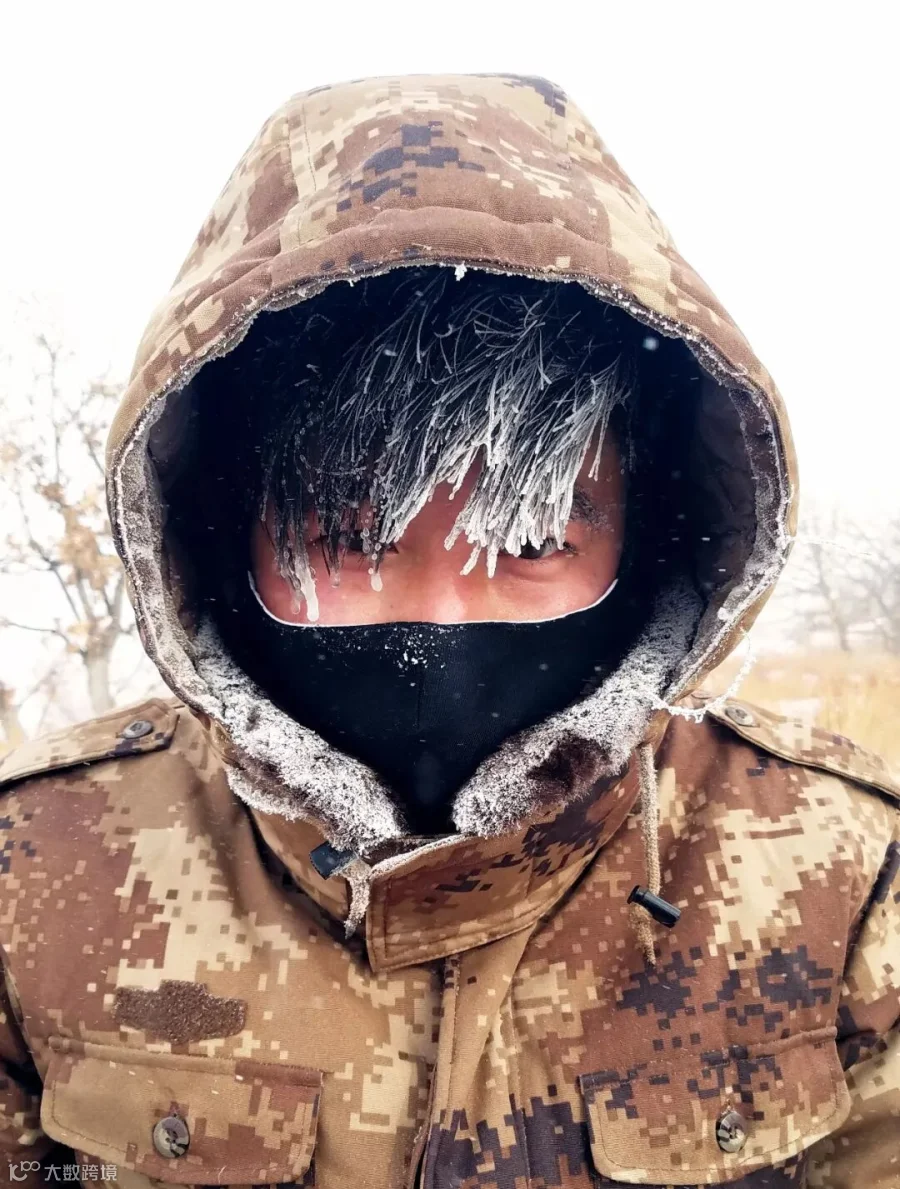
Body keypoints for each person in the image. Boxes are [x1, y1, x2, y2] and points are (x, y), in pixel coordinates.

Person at [0, 72, 897, 1189]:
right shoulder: (36, 866)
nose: (441, 619)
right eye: (346, 540)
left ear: (651, 528)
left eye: (530, 543)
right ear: (221, 538)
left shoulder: (840, 869)